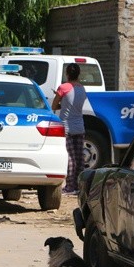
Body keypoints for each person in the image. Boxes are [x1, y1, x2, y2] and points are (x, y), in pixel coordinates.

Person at [52, 62, 88, 195]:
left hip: (66, 127)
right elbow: (74, 106)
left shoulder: (63, 87)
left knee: (70, 158)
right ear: (78, 74)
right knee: (79, 158)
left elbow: (54, 106)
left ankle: (69, 186)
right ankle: (80, 186)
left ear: (67, 74)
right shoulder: (82, 89)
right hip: (80, 126)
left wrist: (59, 98)